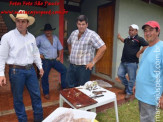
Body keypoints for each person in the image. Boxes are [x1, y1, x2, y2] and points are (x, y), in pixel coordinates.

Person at [0, 10, 44, 122]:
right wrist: (1, 74)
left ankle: (38, 119)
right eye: (18, 21)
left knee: (36, 96)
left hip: (31, 71)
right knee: (18, 99)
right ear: (15, 22)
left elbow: (35, 53)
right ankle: (22, 120)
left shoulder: (32, 37)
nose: (20, 23)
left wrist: (40, 66)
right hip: (16, 72)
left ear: (28, 23)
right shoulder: (7, 37)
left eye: (23, 21)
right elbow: (2, 56)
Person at [134, 21, 163, 122]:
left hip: (151, 95)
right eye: (145, 30)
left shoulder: (162, 47)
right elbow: (143, 69)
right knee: (144, 118)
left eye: (151, 30)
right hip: (142, 92)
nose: (147, 33)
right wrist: (136, 85)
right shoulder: (146, 49)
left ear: (158, 31)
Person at [66, 15, 106, 88]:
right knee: (70, 86)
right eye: (79, 24)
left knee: (82, 88)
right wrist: (71, 54)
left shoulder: (92, 35)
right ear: (76, 24)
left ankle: (80, 99)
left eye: (83, 24)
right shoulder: (74, 33)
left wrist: (93, 62)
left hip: (84, 68)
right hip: (72, 66)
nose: (81, 26)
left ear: (87, 24)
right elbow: (69, 43)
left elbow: (103, 47)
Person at [117, 24, 148, 99]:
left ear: (136, 31)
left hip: (132, 63)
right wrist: (119, 37)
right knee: (120, 75)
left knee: (132, 78)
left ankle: (129, 92)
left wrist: (139, 52)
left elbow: (146, 45)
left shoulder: (139, 39)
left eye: (132, 30)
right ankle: (128, 87)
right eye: (130, 30)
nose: (130, 31)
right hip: (123, 61)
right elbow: (124, 41)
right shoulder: (128, 38)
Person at [36, 24, 67, 99]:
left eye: (49, 30)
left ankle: (64, 88)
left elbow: (60, 48)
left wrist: (59, 56)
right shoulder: (40, 38)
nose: (48, 32)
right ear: (44, 31)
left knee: (64, 70)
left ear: (51, 31)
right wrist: (38, 55)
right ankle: (46, 92)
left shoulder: (55, 38)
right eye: (46, 31)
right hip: (45, 61)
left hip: (55, 60)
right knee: (44, 76)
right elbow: (32, 47)